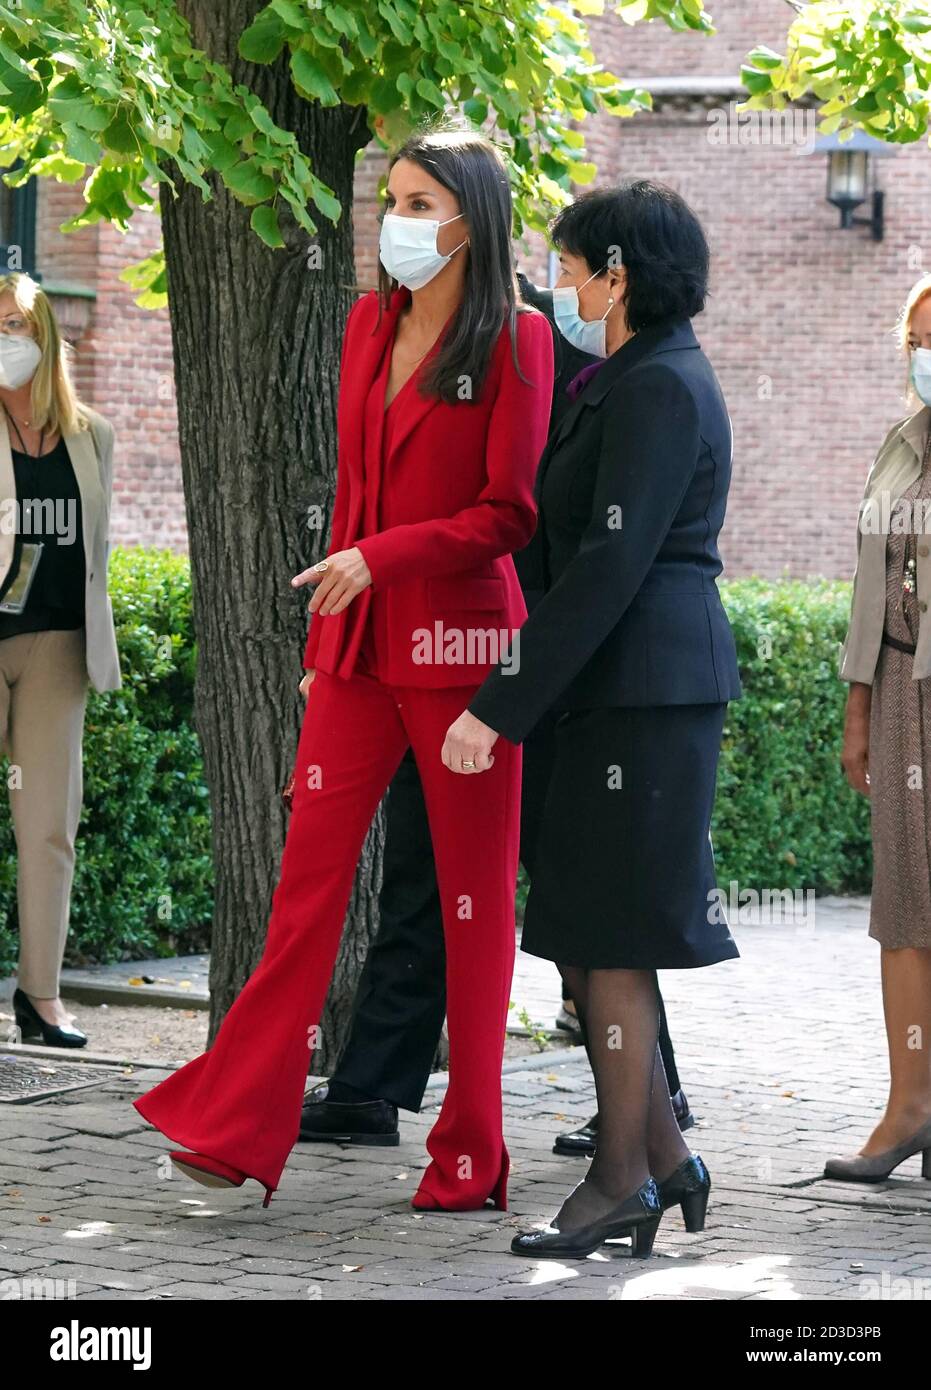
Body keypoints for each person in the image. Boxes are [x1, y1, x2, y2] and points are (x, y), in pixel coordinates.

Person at [132, 129, 554, 1213]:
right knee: (304, 893)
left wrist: (380, 559)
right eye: (391, 199)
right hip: (360, 654)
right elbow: (355, 493)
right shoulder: (366, 322)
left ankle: (471, 1152)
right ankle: (233, 1127)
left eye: (420, 202)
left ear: (471, 220)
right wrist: (329, 651)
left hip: (463, 652)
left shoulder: (519, 340)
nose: (395, 221)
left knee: (469, 907)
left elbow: (507, 515)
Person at [298, 270, 694, 1154]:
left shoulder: (537, 346)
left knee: (574, 891)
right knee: (423, 873)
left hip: (541, 661)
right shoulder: (429, 336)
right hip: (447, 659)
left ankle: (647, 1103)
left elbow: (564, 533)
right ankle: (373, 1083)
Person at [444, 181, 742, 1258]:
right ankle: (664, 1159)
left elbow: (611, 562)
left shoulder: (659, 386)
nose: (559, 284)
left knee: (608, 938)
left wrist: (499, 702)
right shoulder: (628, 378)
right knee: (590, 932)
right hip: (615, 693)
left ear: (617, 272)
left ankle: (618, 1181)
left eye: (571, 266)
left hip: (644, 693)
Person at [0, 272, 121, 1049]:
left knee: (48, 826)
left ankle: (40, 999)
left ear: (46, 338)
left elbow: (95, 558)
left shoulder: (92, 436)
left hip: (56, 647)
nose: (5, 339)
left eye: (16, 324)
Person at [829, 273, 931, 1182]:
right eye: (920, 342)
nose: (928, 358)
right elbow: (869, 590)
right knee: (902, 902)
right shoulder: (898, 444)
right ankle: (909, 1107)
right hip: (901, 688)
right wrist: (857, 707)